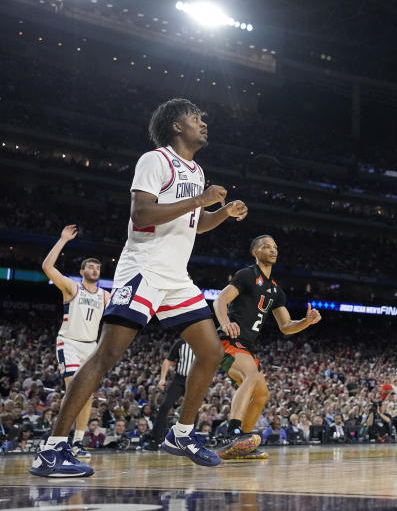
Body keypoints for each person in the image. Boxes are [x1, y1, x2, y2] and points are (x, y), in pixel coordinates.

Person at [30, 98, 248, 477]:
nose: (203, 121)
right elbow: (141, 213)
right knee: (107, 356)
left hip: (176, 278)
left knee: (211, 352)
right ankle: (52, 449)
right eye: (195, 117)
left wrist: (221, 214)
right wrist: (199, 199)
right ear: (176, 126)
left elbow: (193, 224)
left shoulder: (196, 170)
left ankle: (181, 433)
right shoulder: (156, 160)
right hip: (143, 269)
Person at [212, 235, 321, 460]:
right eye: (266, 246)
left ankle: (243, 444)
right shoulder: (246, 274)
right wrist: (225, 323)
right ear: (255, 252)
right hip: (229, 340)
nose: (272, 250)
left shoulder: (275, 290)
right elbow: (220, 300)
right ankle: (232, 434)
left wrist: (305, 322)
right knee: (250, 376)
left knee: (262, 395)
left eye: (275, 247)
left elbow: (286, 326)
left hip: (247, 346)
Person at [40, 225, 110, 460]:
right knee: (75, 390)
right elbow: (47, 267)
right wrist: (62, 240)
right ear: (82, 271)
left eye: (98, 267)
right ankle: (57, 440)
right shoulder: (72, 287)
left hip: (91, 346)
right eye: (90, 266)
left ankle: (77, 442)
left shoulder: (105, 296)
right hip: (69, 343)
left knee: (87, 394)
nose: (95, 269)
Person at [149, 339, 197, 449]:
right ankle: (155, 439)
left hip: (195, 381)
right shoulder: (181, 343)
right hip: (179, 380)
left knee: (193, 410)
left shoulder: (204, 343)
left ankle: (192, 440)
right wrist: (162, 379)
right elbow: (168, 361)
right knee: (165, 406)